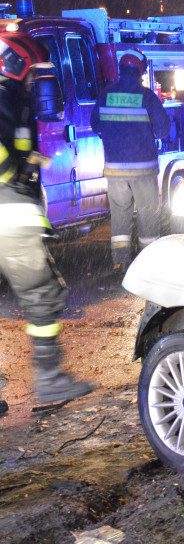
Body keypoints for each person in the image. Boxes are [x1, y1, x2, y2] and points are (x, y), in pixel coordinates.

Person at [0, 32, 93, 414]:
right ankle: (50, 381)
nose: (37, 80)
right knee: (42, 295)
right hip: (8, 213)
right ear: (15, 63)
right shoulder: (4, 95)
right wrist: (15, 176)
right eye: (34, 71)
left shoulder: (12, 96)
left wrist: (31, 162)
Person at [91, 49, 170, 273]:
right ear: (139, 70)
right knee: (147, 212)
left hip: (114, 170)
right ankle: (149, 260)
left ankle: (120, 260)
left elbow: (96, 126)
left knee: (120, 213)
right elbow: (163, 130)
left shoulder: (105, 95)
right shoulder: (146, 96)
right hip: (143, 168)